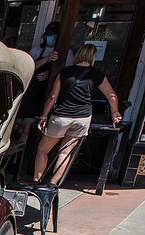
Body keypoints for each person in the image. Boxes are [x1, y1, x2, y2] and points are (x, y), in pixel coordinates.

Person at [33, 43, 122, 185]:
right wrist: (114, 112)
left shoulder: (65, 72)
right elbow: (112, 96)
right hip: (82, 118)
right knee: (65, 152)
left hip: (61, 116)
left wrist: (44, 116)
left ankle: (37, 181)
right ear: (93, 57)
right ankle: (52, 185)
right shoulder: (97, 74)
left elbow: (52, 97)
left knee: (43, 149)